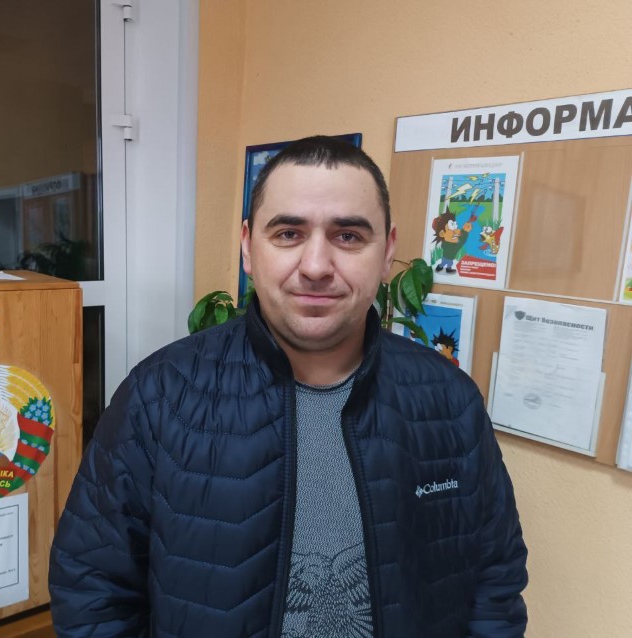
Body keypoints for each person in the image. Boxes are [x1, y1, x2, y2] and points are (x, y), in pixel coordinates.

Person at [49, 136, 528, 637]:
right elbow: (91, 591)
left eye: (348, 236)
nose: (316, 266)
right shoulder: (160, 397)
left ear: (387, 252)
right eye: (288, 233)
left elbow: (494, 584)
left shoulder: (449, 401)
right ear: (247, 247)